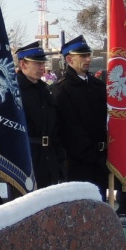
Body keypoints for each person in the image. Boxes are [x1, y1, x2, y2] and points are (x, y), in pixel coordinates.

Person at [51, 35, 108, 198]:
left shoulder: (98, 86)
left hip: (101, 161)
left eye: (88, 55)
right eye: (82, 56)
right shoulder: (62, 90)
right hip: (78, 163)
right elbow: (70, 130)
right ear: (69, 59)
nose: (88, 59)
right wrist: (94, 155)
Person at [13, 41, 62, 194]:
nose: (42, 68)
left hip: (48, 156)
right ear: (23, 64)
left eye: (43, 63)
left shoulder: (44, 90)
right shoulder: (14, 91)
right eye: (37, 64)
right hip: (27, 156)